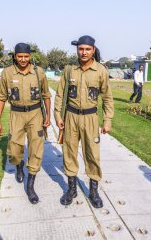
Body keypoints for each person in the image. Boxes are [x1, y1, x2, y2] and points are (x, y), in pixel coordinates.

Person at [54, 35, 114, 208]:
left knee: (92, 154)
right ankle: (71, 189)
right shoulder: (69, 70)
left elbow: (108, 98)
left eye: (88, 49)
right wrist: (58, 117)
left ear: (93, 50)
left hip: (91, 118)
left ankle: (93, 191)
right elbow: (59, 95)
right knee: (69, 153)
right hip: (71, 117)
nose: (84, 52)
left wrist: (107, 120)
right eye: (81, 49)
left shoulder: (101, 70)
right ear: (77, 50)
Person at [0, 43, 51, 204]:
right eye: (20, 56)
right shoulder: (7, 73)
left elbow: (46, 95)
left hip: (35, 114)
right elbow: (1, 97)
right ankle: (19, 165)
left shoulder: (38, 72)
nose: (23, 59)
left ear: (30, 56)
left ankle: (30, 185)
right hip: (17, 113)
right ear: (15, 56)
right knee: (14, 149)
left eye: (26, 56)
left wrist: (47, 117)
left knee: (36, 148)